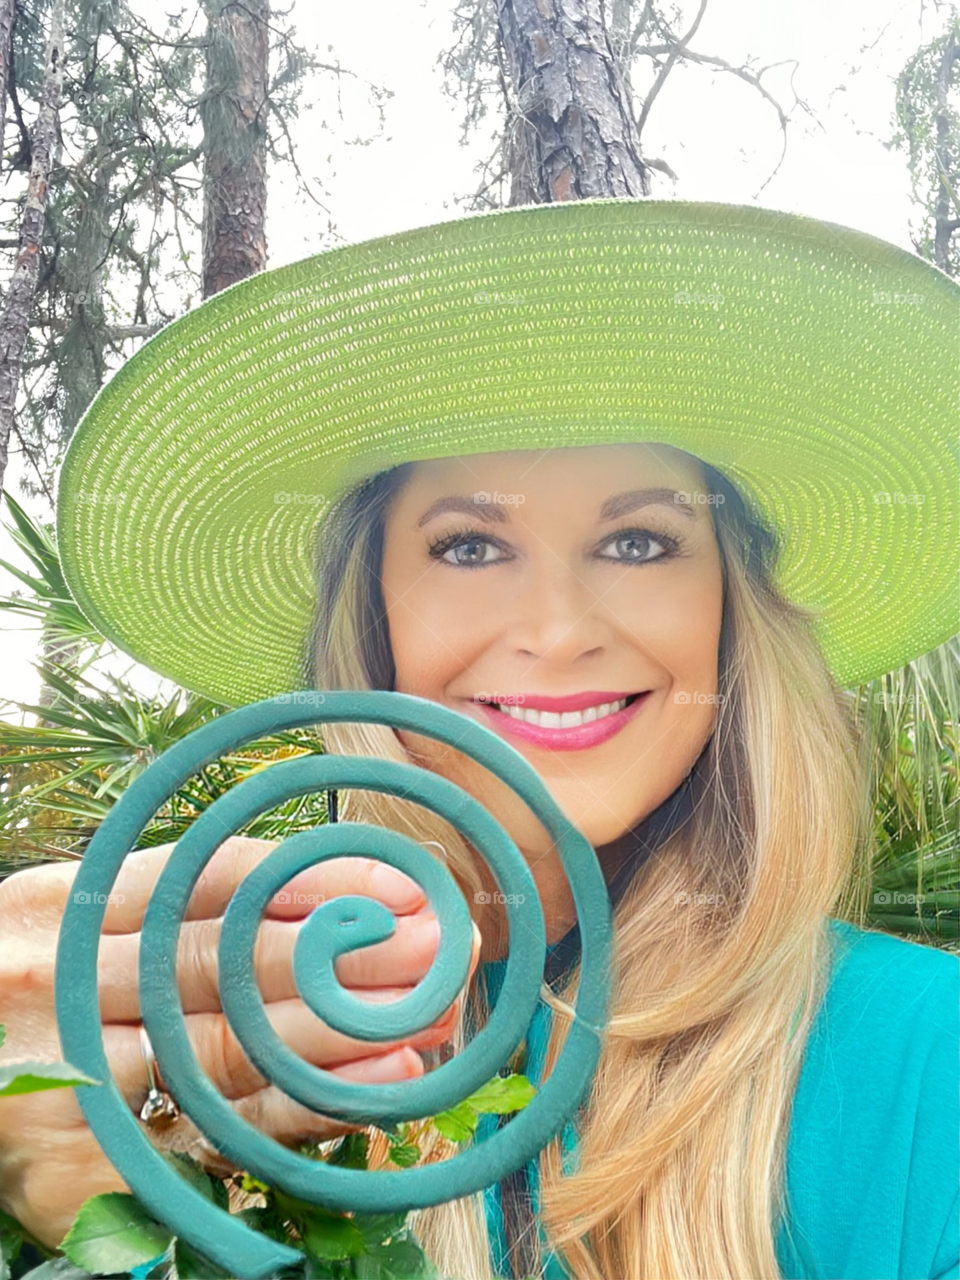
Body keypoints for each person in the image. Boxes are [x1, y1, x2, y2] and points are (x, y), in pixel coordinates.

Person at [0, 198, 957, 1280]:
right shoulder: (227, 1034)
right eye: (467, 545)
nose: (556, 631)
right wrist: (114, 1216)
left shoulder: (931, 1058)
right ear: (376, 618)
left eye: (640, 539)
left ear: (732, 610)